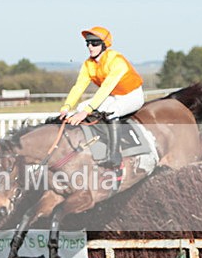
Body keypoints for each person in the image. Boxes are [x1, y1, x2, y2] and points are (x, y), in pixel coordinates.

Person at [59, 26, 144, 166]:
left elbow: (105, 88)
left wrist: (87, 111)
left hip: (132, 95)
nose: (90, 47)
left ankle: (115, 156)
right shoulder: (88, 64)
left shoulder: (116, 60)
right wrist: (66, 107)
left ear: (104, 45)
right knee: (81, 107)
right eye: (88, 43)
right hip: (114, 96)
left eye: (94, 43)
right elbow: (79, 87)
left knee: (111, 112)